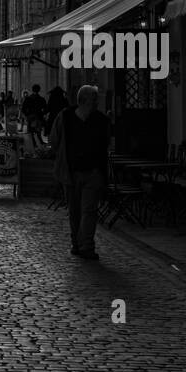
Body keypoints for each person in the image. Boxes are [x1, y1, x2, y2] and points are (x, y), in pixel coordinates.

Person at [50, 84, 110, 262]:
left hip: (93, 172)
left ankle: (86, 246)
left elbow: (106, 143)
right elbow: (55, 140)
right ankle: (76, 243)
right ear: (83, 101)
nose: (97, 103)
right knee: (75, 210)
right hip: (71, 172)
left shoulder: (101, 120)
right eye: (94, 100)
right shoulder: (65, 117)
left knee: (89, 210)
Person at [21, 83, 48, 150]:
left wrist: (27, 115)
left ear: (32, 90)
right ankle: (39, 144)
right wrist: (42, 114)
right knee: (38, 132)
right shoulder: (41, 99)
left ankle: (32, 145)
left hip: (31, 117)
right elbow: (45, 109)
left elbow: (23, 109)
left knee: (31, 132)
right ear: (39, 90)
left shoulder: (28, 99)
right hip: (38, 117)